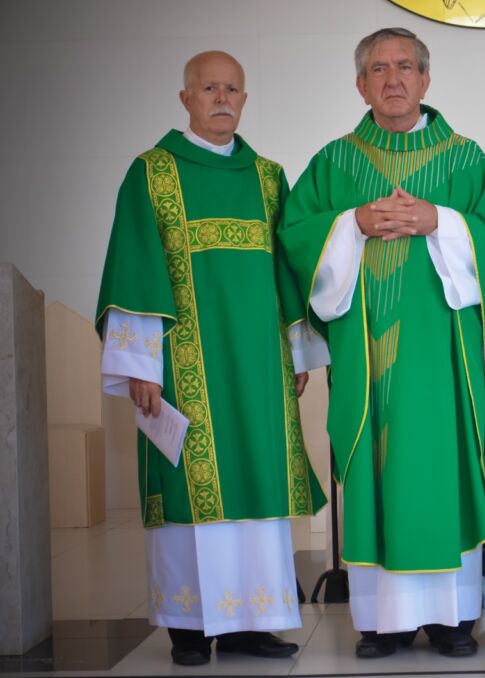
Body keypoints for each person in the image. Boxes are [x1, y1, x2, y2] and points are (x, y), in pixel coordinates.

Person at [276, 27, 485, 659]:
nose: (393, 79)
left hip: (442, 358)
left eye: (405, 66)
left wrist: (443, 222)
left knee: (440, 467)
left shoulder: (464, 159)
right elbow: (294, 237)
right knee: (376, 471)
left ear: (425, 79)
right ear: (361, 85)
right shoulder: (335, 162)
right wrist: (350, 223)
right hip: (368, 359)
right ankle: (383, 622)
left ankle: (452, 619)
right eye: (378, 69)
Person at [95, 51, 327, 666]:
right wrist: (140, 364)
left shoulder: (269, 178)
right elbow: (135, 267)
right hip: (183, 366)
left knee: (257, 478)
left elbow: (287, 270)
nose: (221, 99)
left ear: (244, 99)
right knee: (190, 488)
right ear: (186, 98)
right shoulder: (152, 173)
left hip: (259, 367)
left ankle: (254, 622)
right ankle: (189, 627)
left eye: (232, 89)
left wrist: (297, 349)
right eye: (209, 89)